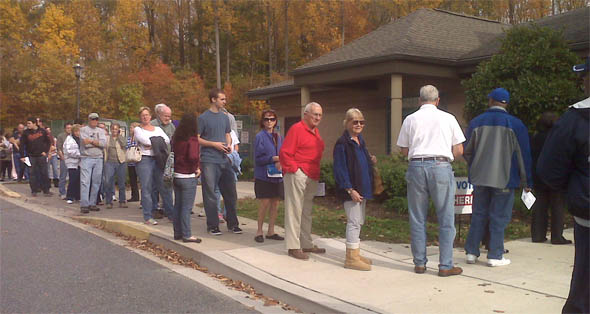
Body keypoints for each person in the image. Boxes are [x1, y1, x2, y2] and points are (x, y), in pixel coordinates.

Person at [396, 85, 465, 277]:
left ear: (419, 100)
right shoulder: (448, 118)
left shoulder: (410, 119)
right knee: (446, 217)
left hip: (417, 166)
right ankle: (445, 265)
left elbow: (403, 149)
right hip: (441, 166)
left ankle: (419, 263)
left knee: (417, 217)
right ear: (438, 100)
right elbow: (459, 149)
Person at [538, 58, 589, 314]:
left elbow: (550, 170)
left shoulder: (575, 119)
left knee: (584, 293)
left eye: (583, 78)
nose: (581, 83)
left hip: (588, 219)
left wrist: (574, 190)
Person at [463, 88, 533, 267]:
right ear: (506, 103)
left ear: (490, 101)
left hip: (480, 177)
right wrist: (527, 182)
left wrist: (474, 166)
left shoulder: (476, 122)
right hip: (504, 177)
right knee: (499, 217)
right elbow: (523, 156)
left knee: (478, 214)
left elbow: (467, 151)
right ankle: (495, 254)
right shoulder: (516, 125)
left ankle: (471, 252)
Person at [280, 102, 325, 260]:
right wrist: (295, 170)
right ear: (305, 114)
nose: (317, 118)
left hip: (312, 175)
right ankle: (293, 246)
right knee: (294, 210)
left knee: (306, 211)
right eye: (315, 114)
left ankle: (306, 243)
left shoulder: (315, 132)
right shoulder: (297, 129)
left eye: (320, 115)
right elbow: (285, 153)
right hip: (298, 174)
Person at [333, 108, 376, 271]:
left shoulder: (359, 141)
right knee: (353, 222)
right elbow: (340, 169)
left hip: (362, 188)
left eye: (361, 122)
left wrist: (370, 160)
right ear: (347, 123)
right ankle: (351, 258)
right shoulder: (342, 143)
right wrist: (350, 190)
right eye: (355, 121)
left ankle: (355, 253)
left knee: (359, 221)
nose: (358, 124)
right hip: (352, 190)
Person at [198, 88, 241, 235]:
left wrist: (228, 145)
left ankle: (233, 223)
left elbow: (228, 134)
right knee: (210, 194)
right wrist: (214, 144)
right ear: (213, 100)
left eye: (225, 99)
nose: (225, 101)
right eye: (222, 99)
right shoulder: (203, 118)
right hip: (209, 160)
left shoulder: (225, 117)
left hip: (224, 159)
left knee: (230, 193)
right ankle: (213, 225)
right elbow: (197, 138)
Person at [530, 112, 570, 244]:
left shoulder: (535, 137)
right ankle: (557, 236)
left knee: (540, 205)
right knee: (557, 207)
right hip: (556, 176)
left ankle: (537, 235)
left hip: (538, 175)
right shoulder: (559, 138)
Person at [134, 107, 170, 225]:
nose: (145, 117)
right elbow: (145, 141)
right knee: (147, 187)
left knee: (164, 186)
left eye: (147, 115)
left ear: (151, 116)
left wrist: (154, 143)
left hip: (158, 159)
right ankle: (148, 216)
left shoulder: (158, 129)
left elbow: (167, 140)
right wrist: (157, 142)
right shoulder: (138, 130)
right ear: (140, 117)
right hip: (145, 159)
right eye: (143, 115)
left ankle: (171, 213)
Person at [253, 109, 284, 243]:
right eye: (266, 119)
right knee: (264, 203)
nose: (269, 122)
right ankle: (259, 231)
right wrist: (273, 158)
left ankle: (271, 231)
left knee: (275, 203)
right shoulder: (260, 137)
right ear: (262, 121)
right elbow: (258, 159)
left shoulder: (279, 137)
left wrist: (281, 161)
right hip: (263, 175)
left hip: (277, 175)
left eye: (272, 119)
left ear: (276, 121)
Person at [172, 113, 202, 243]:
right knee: (186, 208)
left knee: (177, 205)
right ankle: (187, 234)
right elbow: (193, 156)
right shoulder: (192, 139)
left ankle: (177, 232)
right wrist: (197, 167)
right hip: (188, 175)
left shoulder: (176, 138)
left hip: (177, 174)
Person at [151, 103, 175, 219]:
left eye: (169, 116)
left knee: (167, 186)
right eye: (166, 116)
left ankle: (168, 210)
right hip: (156, 160)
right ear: (159, 115)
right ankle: (157, 209)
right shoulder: (152, 125)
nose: (168, 118)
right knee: (156, 186)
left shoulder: (171, 126)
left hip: (169, 160)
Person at [79, 113, 107, 214]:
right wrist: (97, 143)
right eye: (92, 119)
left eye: (96, 119)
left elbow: (104, 144)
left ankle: (92, 203)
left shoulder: (101, 131)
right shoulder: (83, 130)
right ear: (89, 120)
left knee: (96, 182)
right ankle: (84, 204)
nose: (94, 121)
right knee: (85, 182)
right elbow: (85, 144)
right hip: (86, 158)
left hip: (98, 158)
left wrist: (91, 141)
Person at [20, 117, 53, 197]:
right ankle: (34, 190)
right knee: (32, 174)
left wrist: (45, 151)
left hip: (41, 156)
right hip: (31, 156)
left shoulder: (42, 131)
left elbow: (48, 142)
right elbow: (22, 144)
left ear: (35, 123)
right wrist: (22, 156)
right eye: (27, 123)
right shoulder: (25, 133)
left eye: (29, 123)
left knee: (44, 173)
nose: (28, 125)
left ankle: (46, 190)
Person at [103, 123, 128, 209]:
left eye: (116, 129)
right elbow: (104, 148)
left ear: (119, 130)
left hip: (121, 162)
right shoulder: (107, 138)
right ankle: (109, 201)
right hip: (109, 162)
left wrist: (119, 136)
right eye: (113, 129)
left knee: (121, 182)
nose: (114, 130)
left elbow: (125, 145)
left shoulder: (121, 138)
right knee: (108, 182)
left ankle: (122, 201)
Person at [63, 124, 82, 204]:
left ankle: (77, 196)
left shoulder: (81, 139)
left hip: (80, 163)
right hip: (72, 163)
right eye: (77, 131)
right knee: (72, 179)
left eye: (79, 131)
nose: (78, 133)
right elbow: (69, 151)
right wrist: (80, 154)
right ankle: (70, 196)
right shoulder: (69, 140)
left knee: (78, 180)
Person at [56, 123, 72, 199]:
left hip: (72, 158)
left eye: (70, 128)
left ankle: (70, 192)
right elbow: (59, 148)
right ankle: (62, 191)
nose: (69, 129)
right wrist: (62, 157)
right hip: (64, 158)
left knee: (72, 176)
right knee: (63, 175)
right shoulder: (61, 136)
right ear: (65, 129)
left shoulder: (73, 136)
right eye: (68, 128)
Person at [127, 122, 140, 202]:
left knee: (141, 180)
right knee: (132, 179)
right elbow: (127, 146)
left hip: (137, 161)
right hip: (130, 161)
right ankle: (134, 195)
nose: (130, 129)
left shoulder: (138, 138)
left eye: (132, 128)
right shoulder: (129, 138)